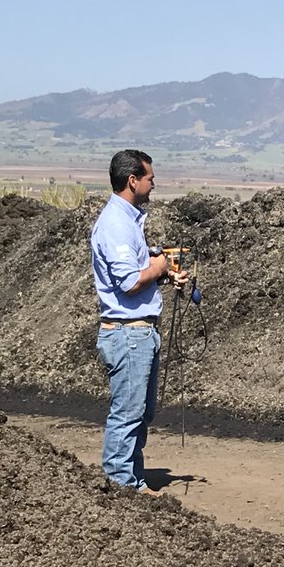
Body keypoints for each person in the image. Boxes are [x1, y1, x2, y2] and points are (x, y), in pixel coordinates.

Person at [90, 150, 187, 493]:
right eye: (150, 179)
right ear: (133, 181)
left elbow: (135, 273)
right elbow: (130, 283)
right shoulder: (116, 224)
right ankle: (120, 485)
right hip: (128, 334)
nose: (153, 184)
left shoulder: (128, 220)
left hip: (139, 332)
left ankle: (131, 477)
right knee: (128, 413)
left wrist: (160, 274)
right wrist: (159, 269)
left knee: (140, 412)